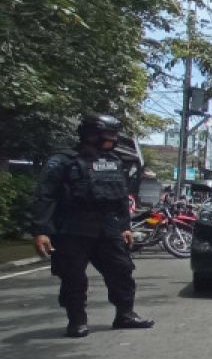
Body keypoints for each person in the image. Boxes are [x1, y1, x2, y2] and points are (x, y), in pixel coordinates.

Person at [30, 114, 154, 338]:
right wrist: (42, 231)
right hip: (72, 228)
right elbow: (45, 196)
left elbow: (120, 198)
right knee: (73, 277)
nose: (113, 140)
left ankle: (125, 314)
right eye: (108, 136)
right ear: (91, 135)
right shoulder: (63, 161)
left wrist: (125, 226)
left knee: (122, 270)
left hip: (107, 228)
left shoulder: (114, 161)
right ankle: (76, 320)